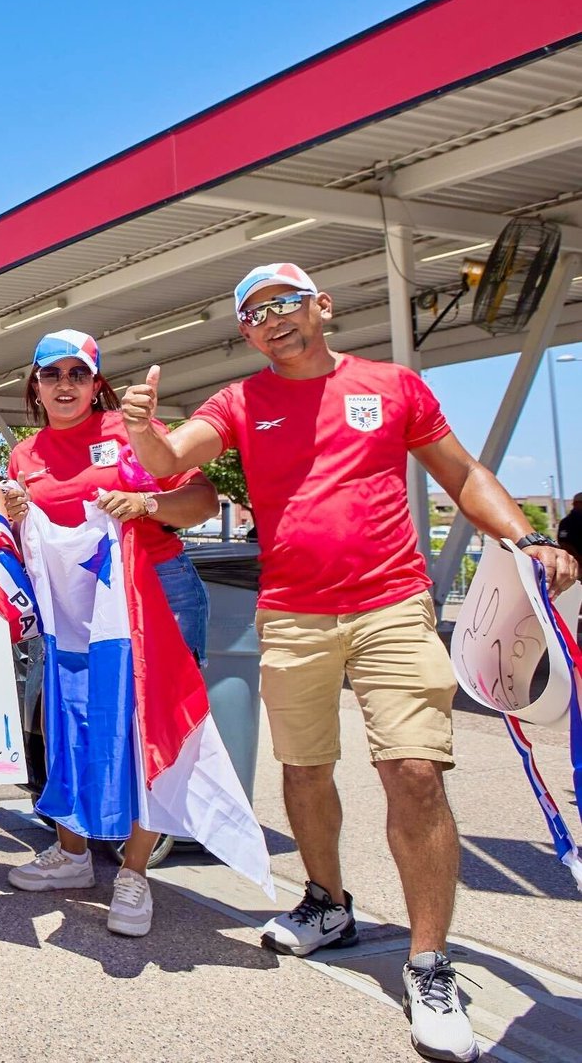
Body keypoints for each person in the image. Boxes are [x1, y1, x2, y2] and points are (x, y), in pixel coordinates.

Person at [120, 263, 578, 1062]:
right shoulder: (241, 401)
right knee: (304, 771)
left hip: (391, 604)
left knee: (414, 772)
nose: (274, 319)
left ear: (323, 308)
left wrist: (529, 536)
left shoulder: (392, 386)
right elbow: (167, 461)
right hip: (293, 613)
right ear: (246, 332)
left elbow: (463, 475)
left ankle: (429, 964)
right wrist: (144, 431)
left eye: (287, 303)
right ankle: (327, 903)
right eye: (255, 312)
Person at [1, 330, 218, 936]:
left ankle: (134, 872)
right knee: (71, 720)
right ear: (35, 386)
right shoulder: (25, 456)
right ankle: (72, 855)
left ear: (97, 384)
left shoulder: (130, 432)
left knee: (150, 726)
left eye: (78, 374)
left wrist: (147, 506)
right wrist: (16, 520)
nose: (65, 385)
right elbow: (34, 544)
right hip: (74, 612)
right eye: (52, 375)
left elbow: (201, 497)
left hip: (157, 591)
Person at [557, 491, 582, 565]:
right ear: (576, 503)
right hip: (577, 564)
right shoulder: (567, 522)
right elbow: (564, 543)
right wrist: (578, 558)